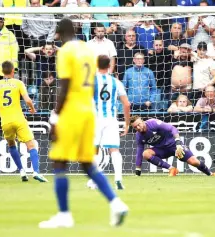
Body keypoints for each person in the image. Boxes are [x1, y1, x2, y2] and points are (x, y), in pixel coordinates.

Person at [39, 18, 128, 229]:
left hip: (72, 112)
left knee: (60, 162)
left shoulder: (66, 52)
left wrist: (55, 117)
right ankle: (116, 203)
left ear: (59, 34)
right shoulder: (87, 50)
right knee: (87, 163)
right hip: (90, 112)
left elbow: (65, 86)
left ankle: (64, 214)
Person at [0, 61, 47, 182]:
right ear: (13, 71)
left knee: (11, 145)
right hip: (19, 119)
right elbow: (28, 100)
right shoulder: (18, 83)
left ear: (2, 71)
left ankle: (21, 171)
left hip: (5, 121)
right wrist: (32, 108)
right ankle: (36, 171)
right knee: (31, 145)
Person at [88, 55, 131, 190]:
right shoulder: (116, 82)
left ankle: (94, 180)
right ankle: (118, 179)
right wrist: (127, 123)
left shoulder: (91, 81)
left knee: (94, 151)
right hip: (111, 120)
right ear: (109, 66)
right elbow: (127, 104)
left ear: (96, 64)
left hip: (95, 119)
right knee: (114, 150)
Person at [130, 115, 215, 176]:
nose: (138, 127)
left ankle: (210, 173)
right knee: (146, 153)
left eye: (139, 124)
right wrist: (138, 168)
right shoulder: (139, 136)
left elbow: (172, 128)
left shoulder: (153, 123)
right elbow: (139, 151)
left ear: (142, 121)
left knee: (194, 162)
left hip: (174, 146)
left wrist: (178, 143)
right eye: (135, 127)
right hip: (161, 150)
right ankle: (172, 169)